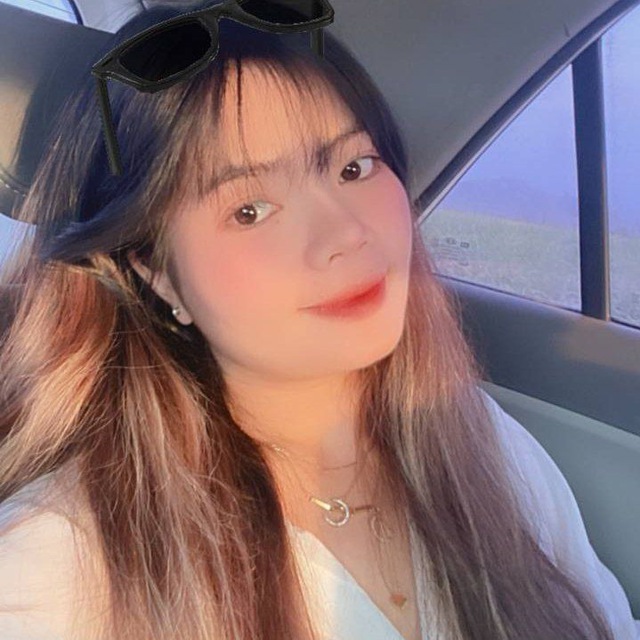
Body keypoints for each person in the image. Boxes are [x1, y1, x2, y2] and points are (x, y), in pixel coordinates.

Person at [0, 2, 638, 639]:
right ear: (155, 273)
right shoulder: (57, 569)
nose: (345, 234)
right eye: (250, 210)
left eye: (353, 167)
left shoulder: (482, 440)